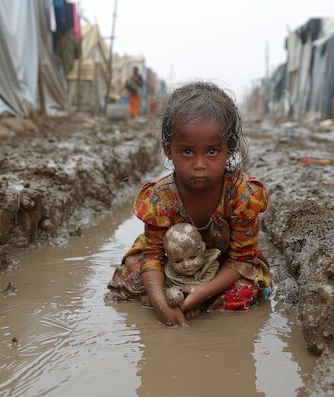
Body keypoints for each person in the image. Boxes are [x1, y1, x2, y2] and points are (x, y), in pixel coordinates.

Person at [106, 80, 271, 327]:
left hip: (222, 266)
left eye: (212, 151)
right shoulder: (161, 197)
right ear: (168, 150)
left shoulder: (241, 195)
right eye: (187, 152)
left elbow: (242, 259)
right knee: (133, 274)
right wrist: (160, 300)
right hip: (171, 266)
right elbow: (152, 255)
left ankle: (198, 301)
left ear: (231, 148)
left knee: (245, 291)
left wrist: (204, 290)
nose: (200, 164)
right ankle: (178, 301)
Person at [161, 222, 221, 307]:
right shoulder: (169, 271)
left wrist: (182, 289)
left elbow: (205, 287)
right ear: (169, 258)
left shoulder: (211, 264)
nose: (186, 265)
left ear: (203, 247)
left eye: (192, 257)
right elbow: (166, 290)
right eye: (178, 261)